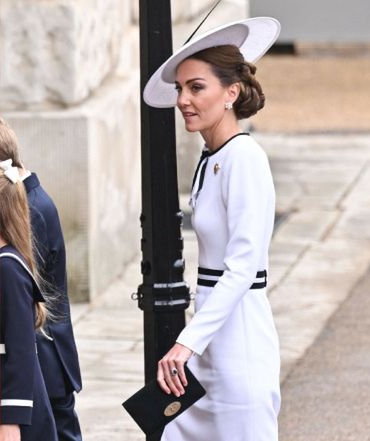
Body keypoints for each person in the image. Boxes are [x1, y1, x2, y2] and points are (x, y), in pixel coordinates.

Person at [142, 18, 282, 441]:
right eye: (181, 88)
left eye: (196, 87)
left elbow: (240, 269)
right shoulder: (212, 158)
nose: (183, 99)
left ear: (231, 93)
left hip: (238, 341)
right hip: (209, 341)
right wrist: (194, 344)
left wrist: (186, 343)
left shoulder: (245, 159)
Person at [0, 120, 83, 440]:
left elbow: (18, 295)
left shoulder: (27, 207)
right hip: (42, 355)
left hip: (42, 358)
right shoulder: (29, 195)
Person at [0, 161, 57, 441]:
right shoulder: (1, 263)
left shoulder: (7, 267)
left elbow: (20, 349)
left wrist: (11, 419)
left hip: (18, 413)